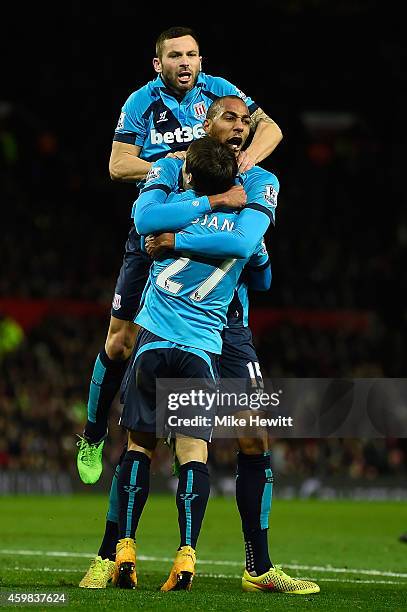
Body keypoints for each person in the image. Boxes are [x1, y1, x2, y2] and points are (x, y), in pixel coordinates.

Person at [79, 97, 319, 596]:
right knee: (140, 431)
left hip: (227, 325)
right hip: (169, 306)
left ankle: (259, 567)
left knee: (253, 435)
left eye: (245, 121)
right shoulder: (171, 164)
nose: (239, 127)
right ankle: (109, 552)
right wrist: (200, 216)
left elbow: (243, 245)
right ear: (204, 125)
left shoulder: (262, 181)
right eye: (228, 118)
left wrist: (176, 238)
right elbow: (145, 220)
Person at [76, 25, 282, 484]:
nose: (185, 62)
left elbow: (271, 129)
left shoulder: (221, 92)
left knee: (212, 327)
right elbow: (117, 164)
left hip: (209, 230)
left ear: (201, 60)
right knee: (119, 342)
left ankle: (188, 425)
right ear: (159, 64)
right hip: (160, 222)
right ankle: (92, 432)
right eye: (175, 56)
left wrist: (240, 165)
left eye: (191, 54)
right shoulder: (141, 102)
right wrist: (178, 168)